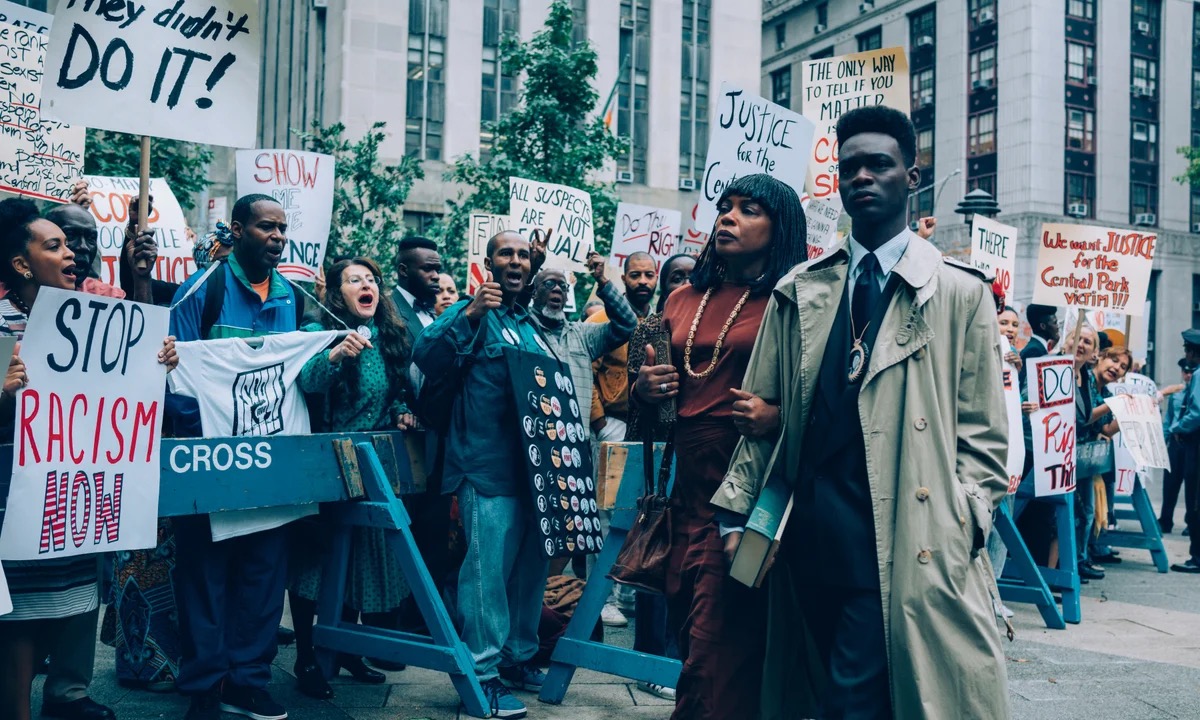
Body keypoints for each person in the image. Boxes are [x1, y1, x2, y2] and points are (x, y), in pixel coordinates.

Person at [716, 107, 1011, 718]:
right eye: (849, 167)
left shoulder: (960, 292)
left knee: (858, 700)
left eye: (879, 164)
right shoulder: (799, 288)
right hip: (804, 540)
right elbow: (757, 417)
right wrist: (736, 517)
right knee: (819, 690)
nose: (862, 178)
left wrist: (967, 519)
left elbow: (983, 434)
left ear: (913, 176)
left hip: (909, 538)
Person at [633, 173, 806, 720]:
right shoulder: (682, 297)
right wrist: (644, 388)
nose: (727, 217)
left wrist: (780, 416)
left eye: (748, 209)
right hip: (683, 489)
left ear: (780, 227)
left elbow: (828, 391)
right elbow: (648, 404)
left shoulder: (795, 297)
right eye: (724, 207)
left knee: (713, 645)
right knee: (692, 636)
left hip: (745, 491)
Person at [0, 198, 177, 720]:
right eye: (54, 245)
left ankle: (67, 696)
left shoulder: (99, 316)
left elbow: (127, 389)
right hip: (14, 497)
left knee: (76, 593)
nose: (72, 254)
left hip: (76, 493)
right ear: (20, 264)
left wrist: (157, 359)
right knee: (23, 609)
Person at [167, 194, 303, 720]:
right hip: (210, 460)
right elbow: (168, 369)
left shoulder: (293, 296)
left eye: (283, 229)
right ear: (239, 229)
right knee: (206, 572)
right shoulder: (203, 289)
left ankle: (249, 680)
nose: (277, 237)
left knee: (264, 574)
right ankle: (205, 684)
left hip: (272, 461)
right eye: (266, 227)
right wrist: (205, 428)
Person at [413, 230, 550, 719]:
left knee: (528, 574)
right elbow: (425, 355)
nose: (515, 260)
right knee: (484, 577)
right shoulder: (472, 312)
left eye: (522, 254)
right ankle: (482, 675)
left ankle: (516, 659)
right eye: (505, 253)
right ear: (488, 262)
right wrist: (469, 313)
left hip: (532, 474)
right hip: (484, 469)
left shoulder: (528, 322)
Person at [290, 258, 416, 698]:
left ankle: (344, 649)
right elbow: (306, 384)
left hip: (371, 464)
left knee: (357, 559)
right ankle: (306, 656)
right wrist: (335, 355)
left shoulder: (391, 338)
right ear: (336, 293)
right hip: (325, 462)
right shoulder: (319, 334)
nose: (367, 286)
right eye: (354, 280)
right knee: (317, 565)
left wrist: (402, 412)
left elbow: (399, 389)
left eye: (372, 280)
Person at [529, 255, 637, 443]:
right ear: (534, 293)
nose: (556, 289)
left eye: (563, 286)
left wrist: (602, 281)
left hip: (576, 443)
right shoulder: (523, 330)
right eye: (548, 284)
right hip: (536, 439)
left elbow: (628, 324)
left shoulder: (583, 335)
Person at [1069, 325, 1107, 582]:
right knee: (1069, 514)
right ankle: (1069, 566)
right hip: (1057, 452)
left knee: (1083, 513)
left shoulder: (1086, 377)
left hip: (1079, 452)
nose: (1081, 345)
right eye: (1078, 338)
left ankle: (1074, 563)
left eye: (1088, 342)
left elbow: (1086, 417)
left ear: (1094, 352)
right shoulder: (1059, 367)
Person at [1169, 329, 1200, 573]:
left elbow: (1196, 413)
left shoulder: (1199, 375)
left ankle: (1197, 557)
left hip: (1195, 444)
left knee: (1195, 500)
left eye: (1187, 350)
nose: (1186, 355)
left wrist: (1178, 428)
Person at [1160, 358, 1195, 534]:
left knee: (1192, 486)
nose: (1188, 375)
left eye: (1191, 372)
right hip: (1175, 443)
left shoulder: (1196, 393)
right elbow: (1169, 419)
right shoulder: (1176, 393)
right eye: (1185, 372)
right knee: (1170, 483)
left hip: (1191, 442)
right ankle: (1166, 519)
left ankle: (1191, 523)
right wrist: (1163, 440)